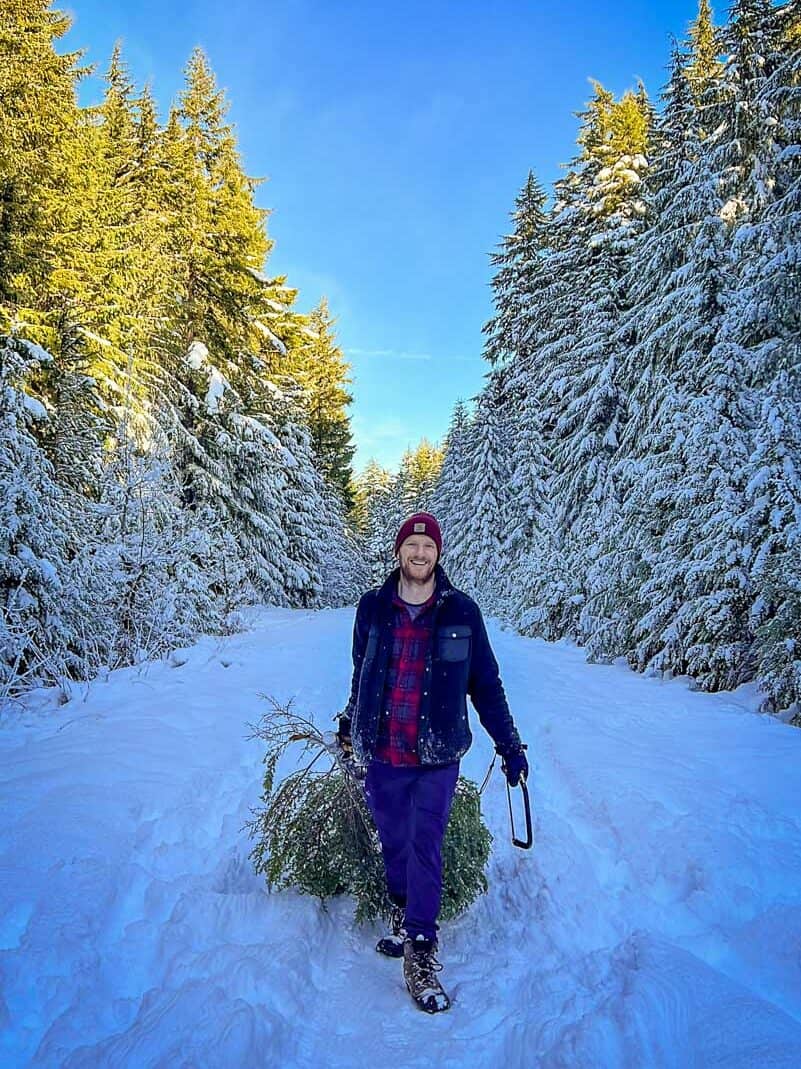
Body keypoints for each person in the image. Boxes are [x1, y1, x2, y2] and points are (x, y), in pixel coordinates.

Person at [337, 511, 528, 1014]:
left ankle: (421, 947)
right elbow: (362, 673)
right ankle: (404, 915)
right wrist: (348, 724)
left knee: (425, 843)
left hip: (437, 755)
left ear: (438, 554)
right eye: (412, 545)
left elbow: (485, 684)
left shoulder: (462, 612)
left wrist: (510, 746)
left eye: (428, 547)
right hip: (383, 752)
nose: (419, 554)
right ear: (399, 551)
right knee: (394, 843)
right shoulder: (373, 608)